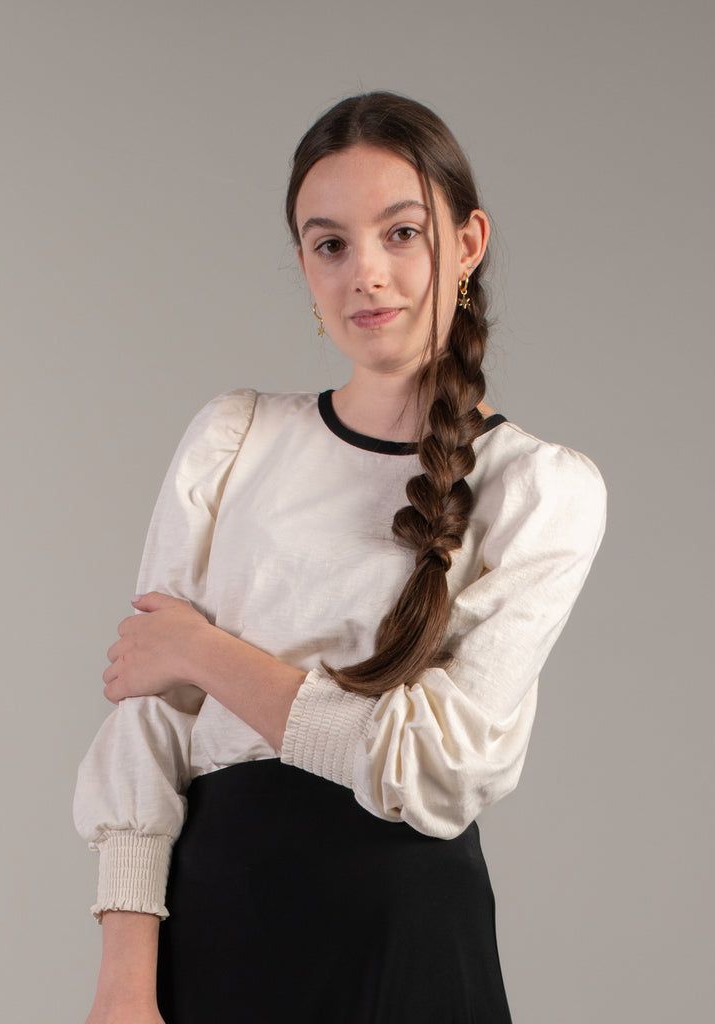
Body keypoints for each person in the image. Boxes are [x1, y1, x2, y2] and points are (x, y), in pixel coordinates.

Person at [74, 91, 606, 1024]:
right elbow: (145, 726)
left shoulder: (539, 488)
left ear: (468, 242)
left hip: (405, 944)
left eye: (402, 233)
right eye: (330, 244)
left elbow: (433, 768)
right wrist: (125, 980)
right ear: (304, 266)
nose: (367, 272)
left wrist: (204, 652)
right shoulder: (233, 440)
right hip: (210, 927)